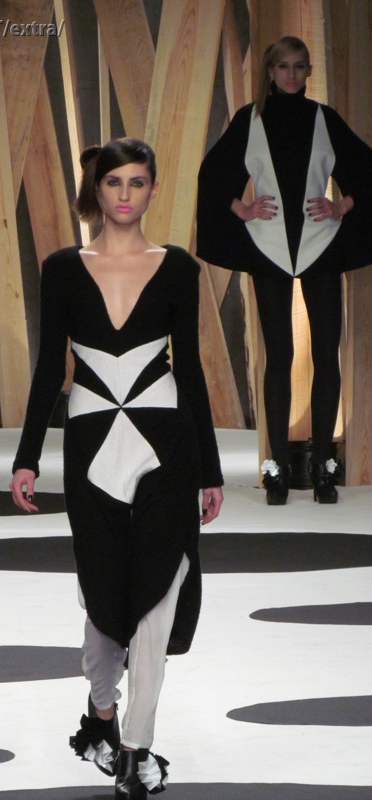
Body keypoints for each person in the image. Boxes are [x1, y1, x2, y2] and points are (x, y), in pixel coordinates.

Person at [10, 138, 223, 799]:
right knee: (104, 601)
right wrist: (26, 457)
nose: (125, 195)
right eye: (114, 183)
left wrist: (210, 469)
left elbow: (190, 369)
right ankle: (101, 712)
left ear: (153, 189)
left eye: (137, 182)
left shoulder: (179, 268)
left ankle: (136, 747)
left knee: (158, 596)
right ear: (96, 190)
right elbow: (50, 367)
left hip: (167, 448)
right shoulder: (62, 268)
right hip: (92, 447)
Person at [197, 35, 372, 505]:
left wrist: (342, 205)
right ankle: (277, 469)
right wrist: (242, 208)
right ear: (270, 71)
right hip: (268, 247)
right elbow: (213, 175)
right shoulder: (249, 119)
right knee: (279, 355)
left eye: (298, 66)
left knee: (326, 354)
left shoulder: (324, 118)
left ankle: (323, 469)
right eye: (283, 67)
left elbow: (366, 169)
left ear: (308, 71)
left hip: (321, 246)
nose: (291, 75)